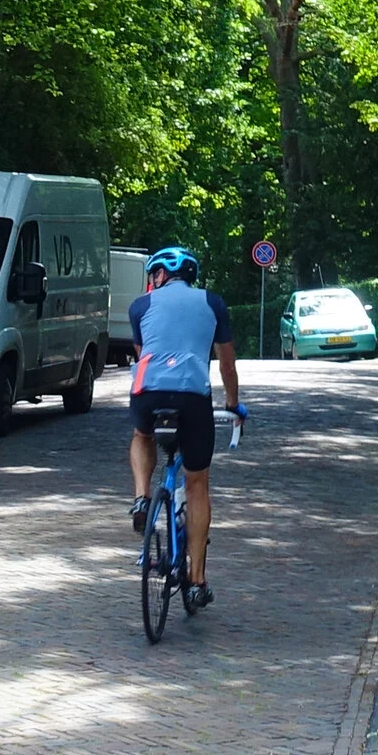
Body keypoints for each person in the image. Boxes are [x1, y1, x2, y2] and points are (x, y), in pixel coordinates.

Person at [126, 245, 246, 606]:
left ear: (159, 275)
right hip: (193, 397)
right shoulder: (213, 302)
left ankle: (141, 497)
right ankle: (196, 581)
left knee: (141, 433)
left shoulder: (139, 306)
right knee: (197, 484)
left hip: (148, 393)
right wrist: (232, 405)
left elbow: (143, 352)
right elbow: (227, 365)